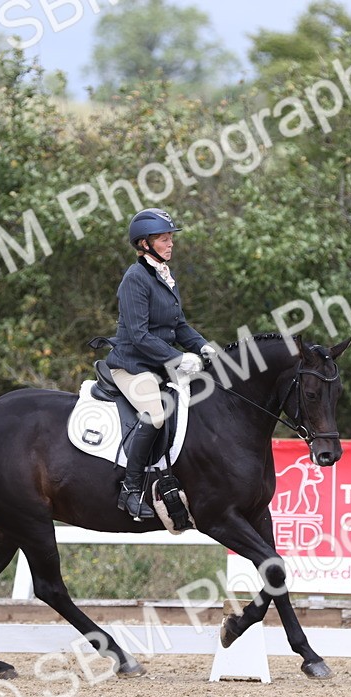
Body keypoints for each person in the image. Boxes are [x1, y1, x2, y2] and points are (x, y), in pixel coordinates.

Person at [106, 208, 216, 520]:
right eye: (164, 239)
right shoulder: (135, 279)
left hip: (157, 366)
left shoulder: (164, 275)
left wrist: (203, 346)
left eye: (170, 238)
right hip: (130, 366)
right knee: (156, 414)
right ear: (144, 243)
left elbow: (179, 326)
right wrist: (178, 358)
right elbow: (139, 335)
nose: (171, 243)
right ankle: (130, 490)